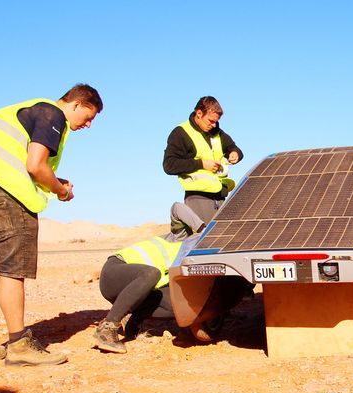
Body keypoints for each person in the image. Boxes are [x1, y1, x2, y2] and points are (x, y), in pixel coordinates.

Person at [0, 84, 102, 366]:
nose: (88, 124)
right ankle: (19, 345)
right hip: (5, 197)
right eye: (89, 116)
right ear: (77, 104)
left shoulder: (21, 109)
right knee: (13, 270)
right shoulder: (52, 114)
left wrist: (56, 180)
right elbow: (35, 165)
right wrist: (61, 191)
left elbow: (19, 161)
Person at [94, 202, 205, 354]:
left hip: (135, 293)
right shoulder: (184, 237)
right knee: (152, 273)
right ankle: (107, 328)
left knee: (178, 305)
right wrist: (203, 229)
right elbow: (177, 207)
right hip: (114, 273)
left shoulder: (196, 264)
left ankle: (133, 323)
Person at [162, 96, 244, 224]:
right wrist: (201, 164)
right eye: (210, 121)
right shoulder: (181, 133)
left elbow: (233, 148)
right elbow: (169, 165)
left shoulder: (217, 132)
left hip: (220, 197)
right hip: (198, 199)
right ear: (199, 114)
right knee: (205, 239)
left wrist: (235, 153)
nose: (214, 125)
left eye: (216, 122)